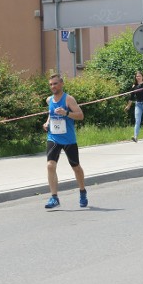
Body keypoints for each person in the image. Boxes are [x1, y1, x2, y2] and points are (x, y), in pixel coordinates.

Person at [42, 74, 87, 209]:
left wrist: (66, 113)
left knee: (76, 167)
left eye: (55, 84)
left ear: (61, 84)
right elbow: (51, 113)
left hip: (68, 139)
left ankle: (82, 191)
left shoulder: (69, 99)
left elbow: (80, 115)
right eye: (50, 84)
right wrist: (47, 122)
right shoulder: (49, 100)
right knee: (50, 165)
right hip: (53, 137)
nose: (53, 87)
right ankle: (54, 197)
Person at [128, 71, 143, 143]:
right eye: (137, 76)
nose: (138, 77)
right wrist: (128, 106)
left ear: (142, 77)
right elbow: (131, 97)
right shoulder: (134, 86)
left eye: (139, 76)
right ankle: (135, 137)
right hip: (138, 104)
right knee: (137, 120)